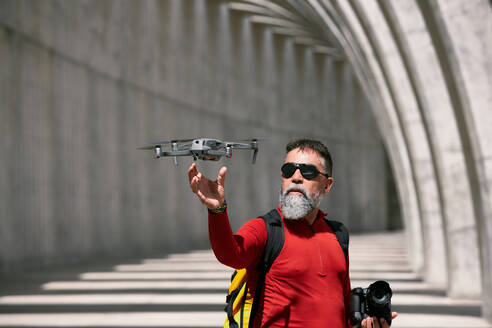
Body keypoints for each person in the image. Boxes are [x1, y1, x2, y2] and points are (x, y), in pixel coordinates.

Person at [188, 138, 397, 327]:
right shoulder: (266, 229)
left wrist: (364, 325)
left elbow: (342, 314)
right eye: (289, 170)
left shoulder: (338, 234)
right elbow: (230, 254)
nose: (296, 177)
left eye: (308, 172)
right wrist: (217, 210)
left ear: (327, 185)